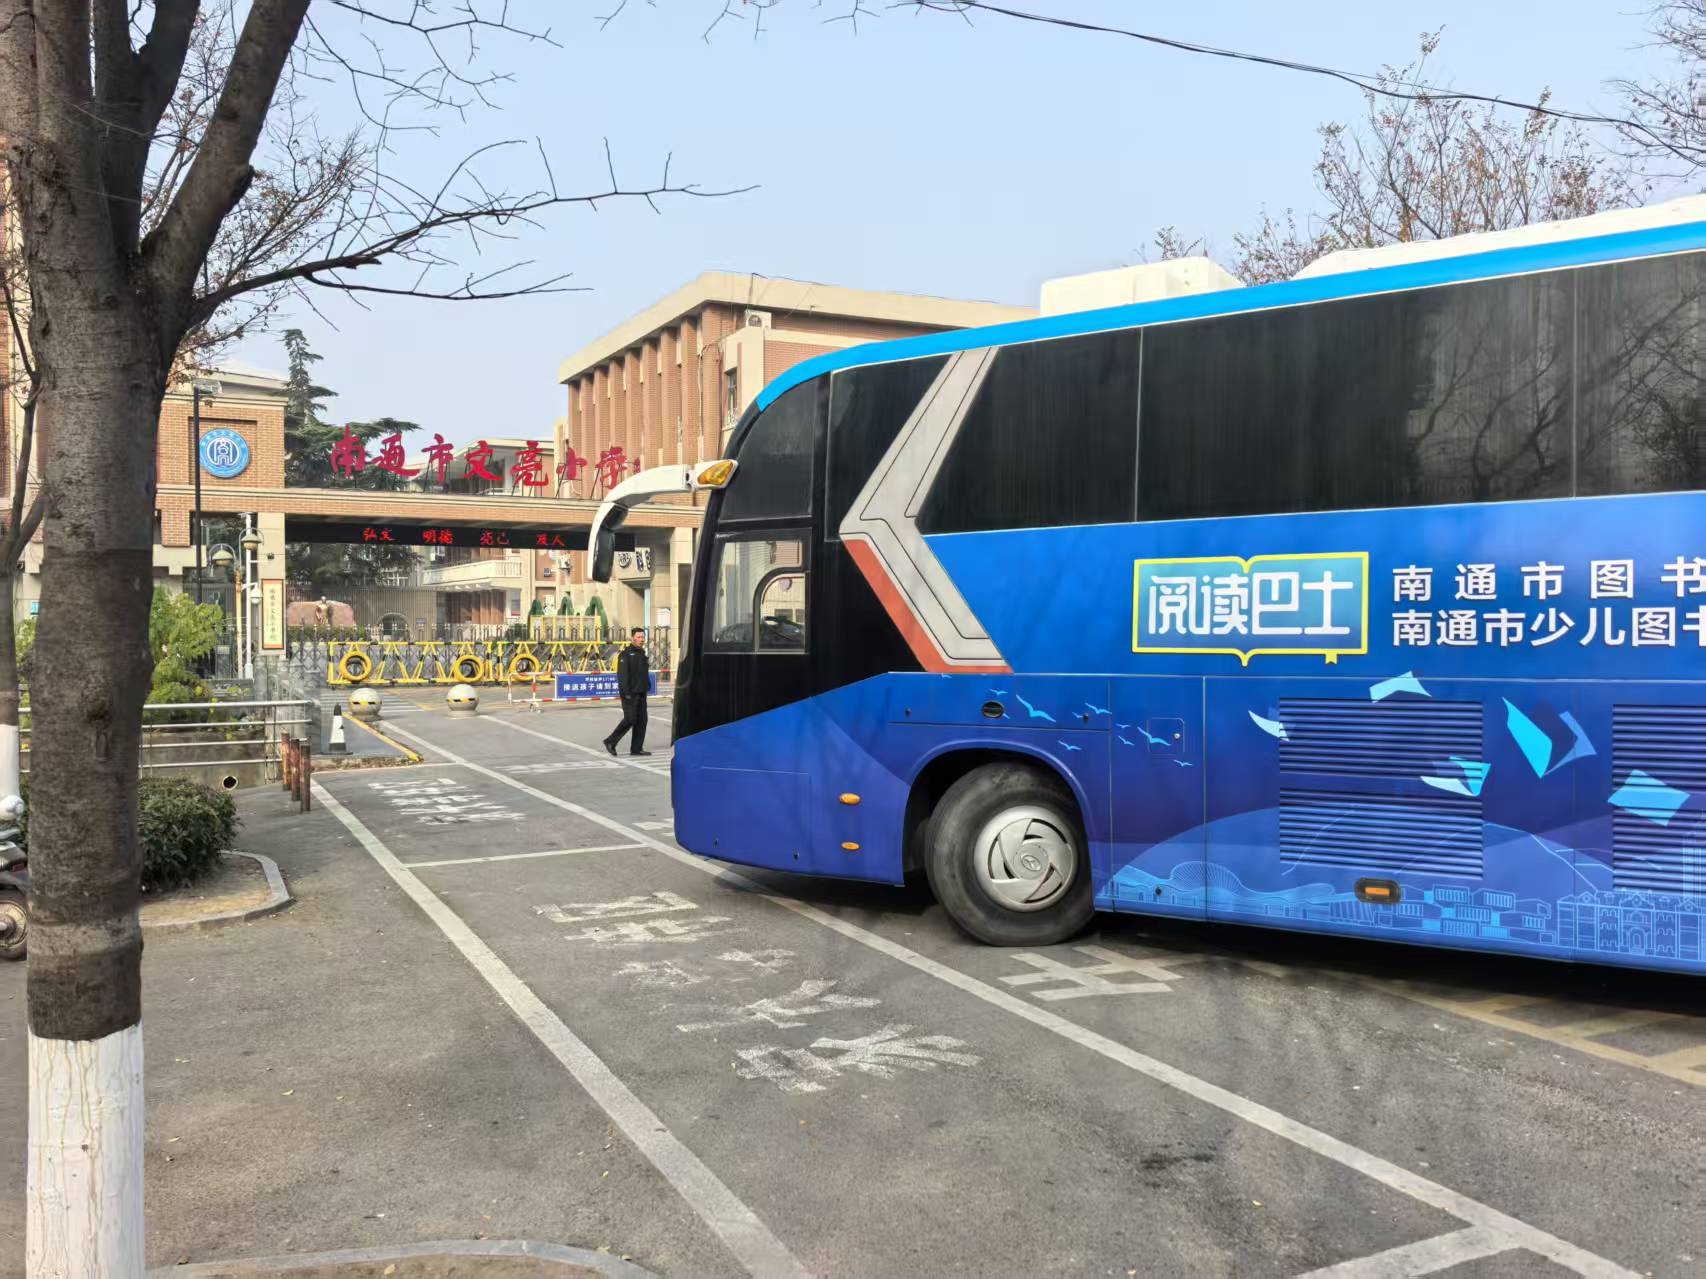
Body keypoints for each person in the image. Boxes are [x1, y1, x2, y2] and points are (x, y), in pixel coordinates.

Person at [604, 627, 651, 757]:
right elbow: (622, 676)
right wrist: (626, 693)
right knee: (630, 719)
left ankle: (636, 748)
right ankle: (610, 741)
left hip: (641, 693)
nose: (641, 639)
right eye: (639, 637)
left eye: (643, 637)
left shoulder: (642, 654)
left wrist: (647, 686)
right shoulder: (625, 654)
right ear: (632, 638)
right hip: (630, 694)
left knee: (642, 721)